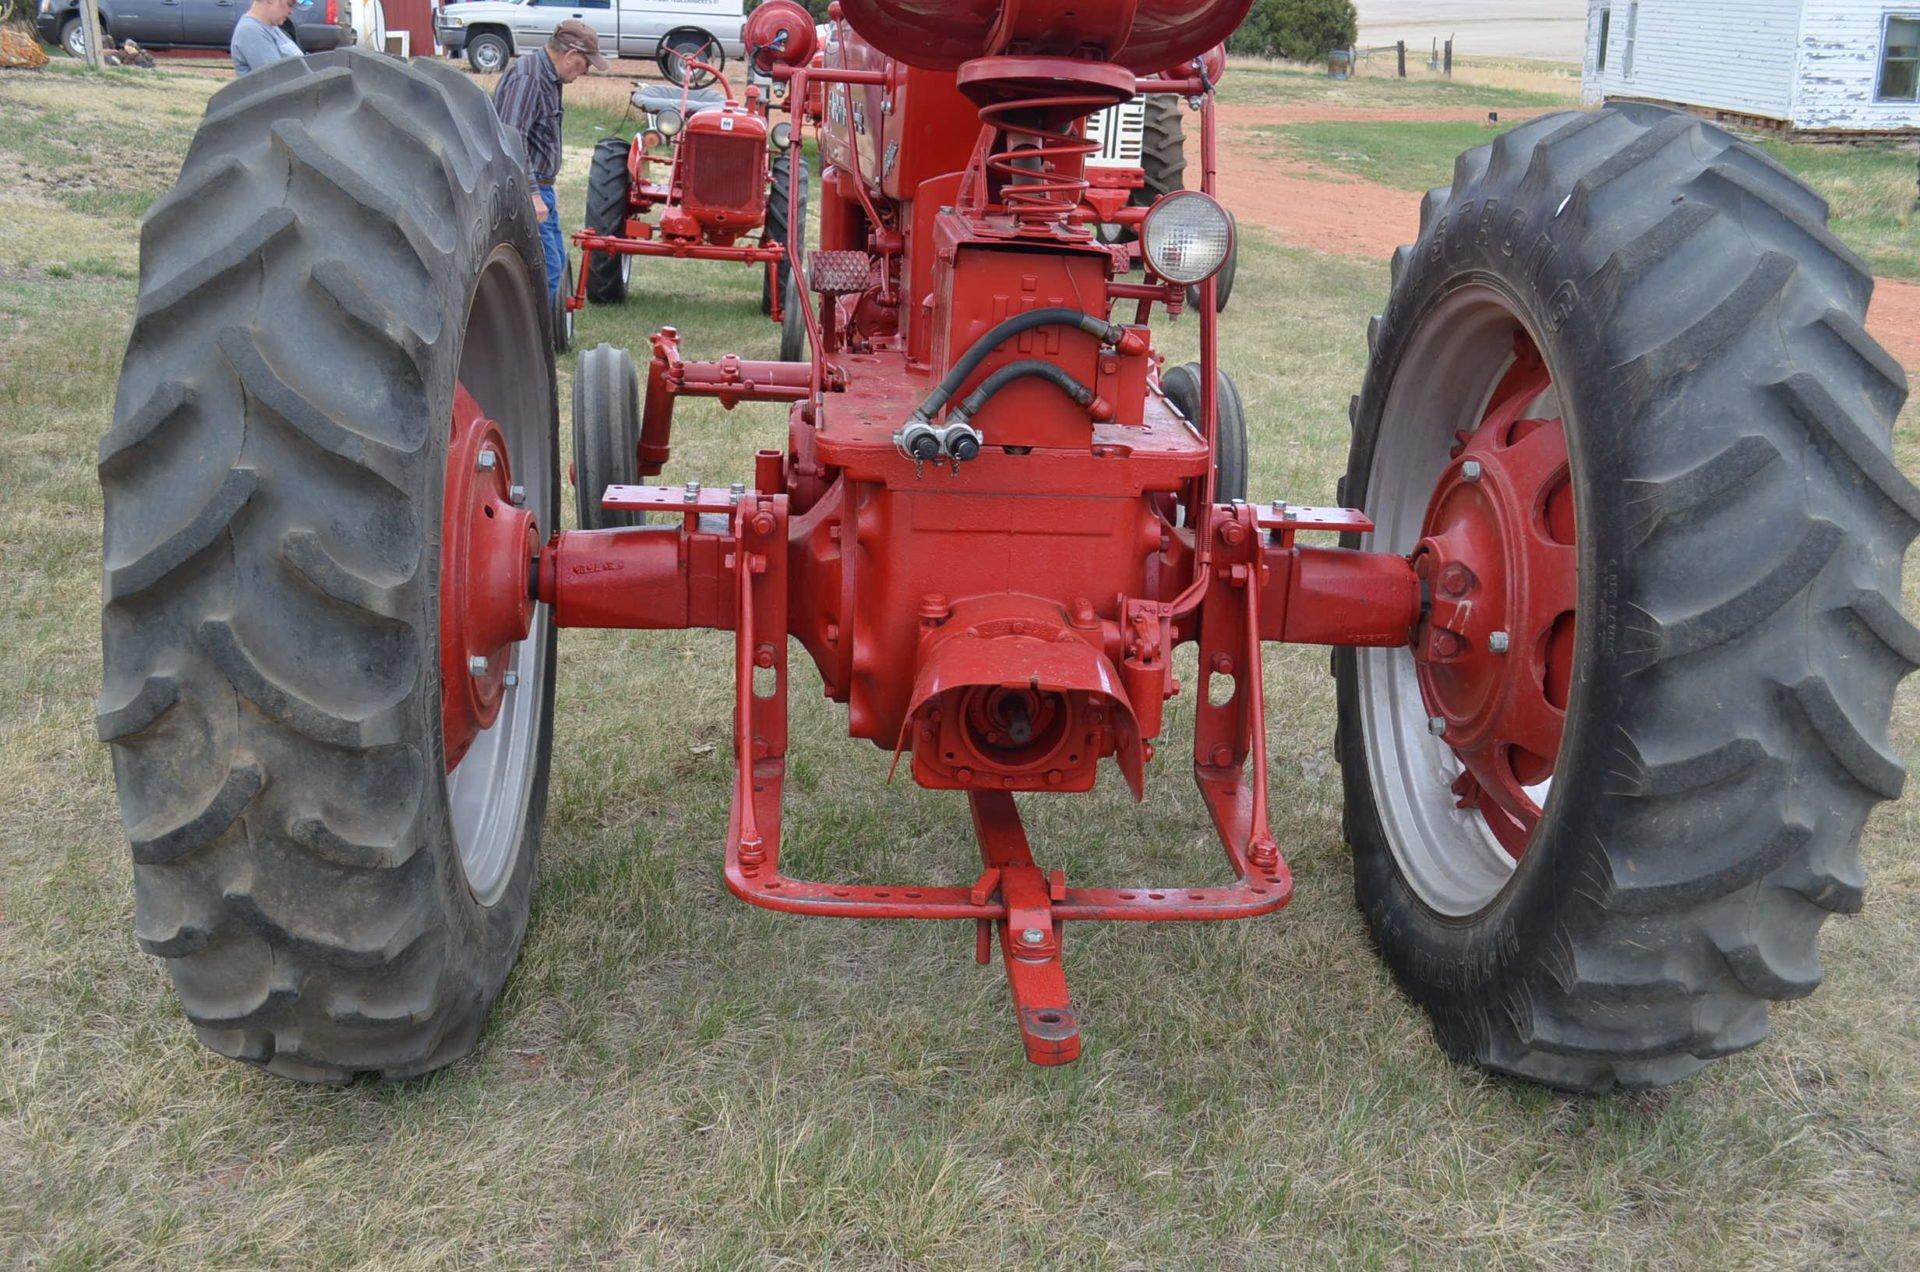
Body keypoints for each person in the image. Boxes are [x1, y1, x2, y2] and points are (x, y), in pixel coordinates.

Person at [491, 19, 607, 305]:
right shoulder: (529, 78)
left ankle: (545, 340)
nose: (586, 71)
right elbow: (512, 137)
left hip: (542, 189)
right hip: (527, 191)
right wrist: (532, 192)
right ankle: (536, 344)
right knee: (547, 269)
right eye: (585, 64)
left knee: (554, 262)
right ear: (570, 55)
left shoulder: (547, 77)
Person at [230, 0, 301, 75]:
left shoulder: (272, 27)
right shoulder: (251, 31)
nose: (291, 12)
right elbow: (276, 78)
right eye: (289, 5)